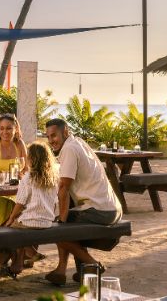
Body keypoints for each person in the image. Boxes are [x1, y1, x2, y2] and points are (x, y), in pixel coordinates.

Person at [44, 118, 122, 287]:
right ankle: (72, 270)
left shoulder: (69, 149)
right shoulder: (78, 142)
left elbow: (64, 188)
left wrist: (61, 223)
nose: (51, 141)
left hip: (99, 210)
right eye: (48, 137)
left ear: (65, 132)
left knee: (55, 227)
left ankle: (91, 264)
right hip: (111, 207)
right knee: (65, 219)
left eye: (54, 136)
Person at [4, 142, 60, 274]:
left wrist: (11, 218)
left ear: (32, 159)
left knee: (9, 228)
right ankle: (24, 260)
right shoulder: (52, 178)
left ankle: (30, 254)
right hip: (47, 221)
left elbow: (20, 202)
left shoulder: (28, 177)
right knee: (18, 227)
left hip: (30, 221)